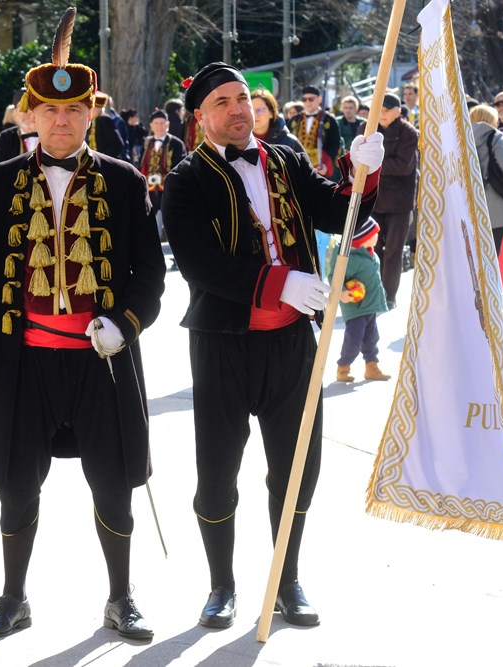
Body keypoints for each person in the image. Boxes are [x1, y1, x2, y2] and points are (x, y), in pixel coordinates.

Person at [0, 7, 165, 641]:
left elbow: (150, 276)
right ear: (30, 115)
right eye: (49, 110)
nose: (62, 120)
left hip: (103, 360)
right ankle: (13, 597)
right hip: (24, 362)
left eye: (73, 110)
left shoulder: (124, 182)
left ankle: (121, 598)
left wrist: (124, 324)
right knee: (17, 485)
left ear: (91, 114)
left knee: (113, 482)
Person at [161, 62, 383, 630]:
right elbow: (199, 264)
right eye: (223, 102)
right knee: (217, 472)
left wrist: (364, 173)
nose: (238, 109)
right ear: (200, 117)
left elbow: (338, 212)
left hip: (292, 342)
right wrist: (280, 282)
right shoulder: (186, 179)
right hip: (223, 345)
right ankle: (221, 585)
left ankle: (287, 580)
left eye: (243, 98)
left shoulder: (286, 159)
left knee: (297, 466)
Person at [328, 217, 391, 383]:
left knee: (372, 339)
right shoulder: (352, 259)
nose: (377, 236)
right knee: (354, 340)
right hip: (356, 308)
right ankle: (343, 367)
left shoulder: (371, 255)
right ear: (363, 237)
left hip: (370, 306)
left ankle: (372, 367)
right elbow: (335, 277)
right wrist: (341, 292)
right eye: (374, 234)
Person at [372, 93, 419, 310]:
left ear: (398, 111)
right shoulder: (369, 127)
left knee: (393, 250)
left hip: (400, 201)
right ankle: (374, 293)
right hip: (373, 198)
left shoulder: (407, 132)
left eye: (386, 110)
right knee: (373, 248)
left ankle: (389, 295)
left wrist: (376, 162)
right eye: (379, 109)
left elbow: (404, 166)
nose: (382, 114)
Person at [471, 104, 503, 251]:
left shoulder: (462, 137)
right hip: (495, 200)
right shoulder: (495, 135)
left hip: (470, 199)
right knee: (494, 249)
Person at [140, 109, 186, 238]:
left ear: (167, 124)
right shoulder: (146, 142)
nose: (159, 126)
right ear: (151, 125)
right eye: (156, 123)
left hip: (168, 188)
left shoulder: (176, 143)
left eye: (162, 123)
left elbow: (180, 165)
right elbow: (141, 164)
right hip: (149, 188)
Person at [288, 85, 341, 178]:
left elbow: (335, 144)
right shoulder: (295, 120)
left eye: (311, 99)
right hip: (298, 166)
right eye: (305, 99)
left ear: (319, 99)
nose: (307, 102)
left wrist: (326, 164)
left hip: (320, 167)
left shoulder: (329, 120)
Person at [0, 89, 39, 164]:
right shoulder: (6, 138)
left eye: (32, 106)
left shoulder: (53, 134)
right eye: (22, 107)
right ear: (14, 114)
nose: (28, 111)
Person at [250, 89, 304, 153]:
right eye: (251, 110)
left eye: (260, 110)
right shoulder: (241, 142)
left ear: (271, 113)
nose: (255, 115)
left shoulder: (290, 142)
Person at [87, 91, 126, 159]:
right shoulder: (93, 120)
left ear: (97, 108)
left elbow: (117, 145)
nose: (89, 111)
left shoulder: (104, 119)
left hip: (104, 162)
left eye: (90, 108)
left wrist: (102, 158)